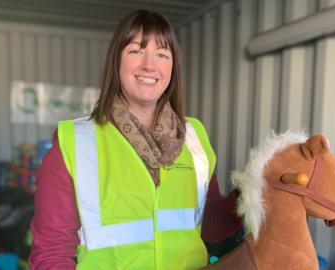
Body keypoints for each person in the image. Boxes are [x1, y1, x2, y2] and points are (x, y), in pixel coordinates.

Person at [29, 9, 220, 269]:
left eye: (162, 54)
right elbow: (51, 252)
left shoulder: (195, 137)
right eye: (136, 51)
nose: (149, 65)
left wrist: (257, 193)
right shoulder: (75, 141)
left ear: (173, 67)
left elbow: (213, 225)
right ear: (116, 60)